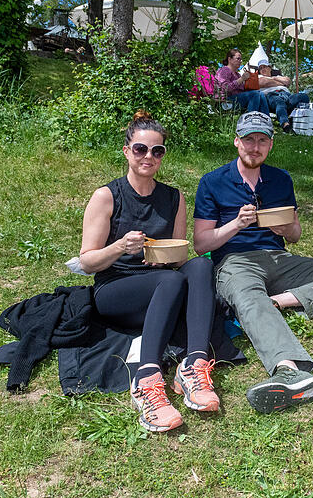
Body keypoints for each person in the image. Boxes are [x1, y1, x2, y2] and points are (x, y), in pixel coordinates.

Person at [80, 111, 221, 432]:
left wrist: (166, 259)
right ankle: (146, 380)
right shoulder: (107, 196)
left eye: (157, 151)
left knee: (201, 265)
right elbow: (87, 262)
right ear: (127, 150)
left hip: (161, 286)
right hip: (116, 290)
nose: (149, 156)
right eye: (141, 149)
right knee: (171, 280)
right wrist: (120, 247)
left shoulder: (173, 197)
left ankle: (193, 367)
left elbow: (178, 253)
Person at [193, 112, 313, 413]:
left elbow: (296, 234)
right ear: (237, 142)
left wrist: (284, 228)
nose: (254, 147)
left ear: (270, 145)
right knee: (248, 296)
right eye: (249, 139)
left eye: (262, 140)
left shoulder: (280, 179)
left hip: (279, 258)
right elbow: (201, 244)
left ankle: (282, 301)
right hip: (236, 261)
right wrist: (235, 225)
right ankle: (289, 370)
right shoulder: (213, 182)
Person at [257, 59, 309, 134]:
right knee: (279, 102)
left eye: (264, 67)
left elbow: (287, 81)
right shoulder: (259, 76)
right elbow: (264, 82)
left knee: (303, 96)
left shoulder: (277, 76)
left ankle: (299, 123)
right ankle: (285, 125)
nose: (263, 69)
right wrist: (281, 83)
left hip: (286, 95)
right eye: (260, 68)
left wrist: (273, 78)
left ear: (270, 68)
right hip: (272, 95)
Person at [215, 48, 269, 115]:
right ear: (230, 59)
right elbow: (226, 88)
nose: (240, 61)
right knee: (255, 94)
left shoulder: (237, 74)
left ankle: (266, 119)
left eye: (241, 59)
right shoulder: (224, 70)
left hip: (236, 100)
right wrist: (242, 79)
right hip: (226, 102)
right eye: (238, 59)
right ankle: (250, 118)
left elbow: (243, 91)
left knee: (260, 93)